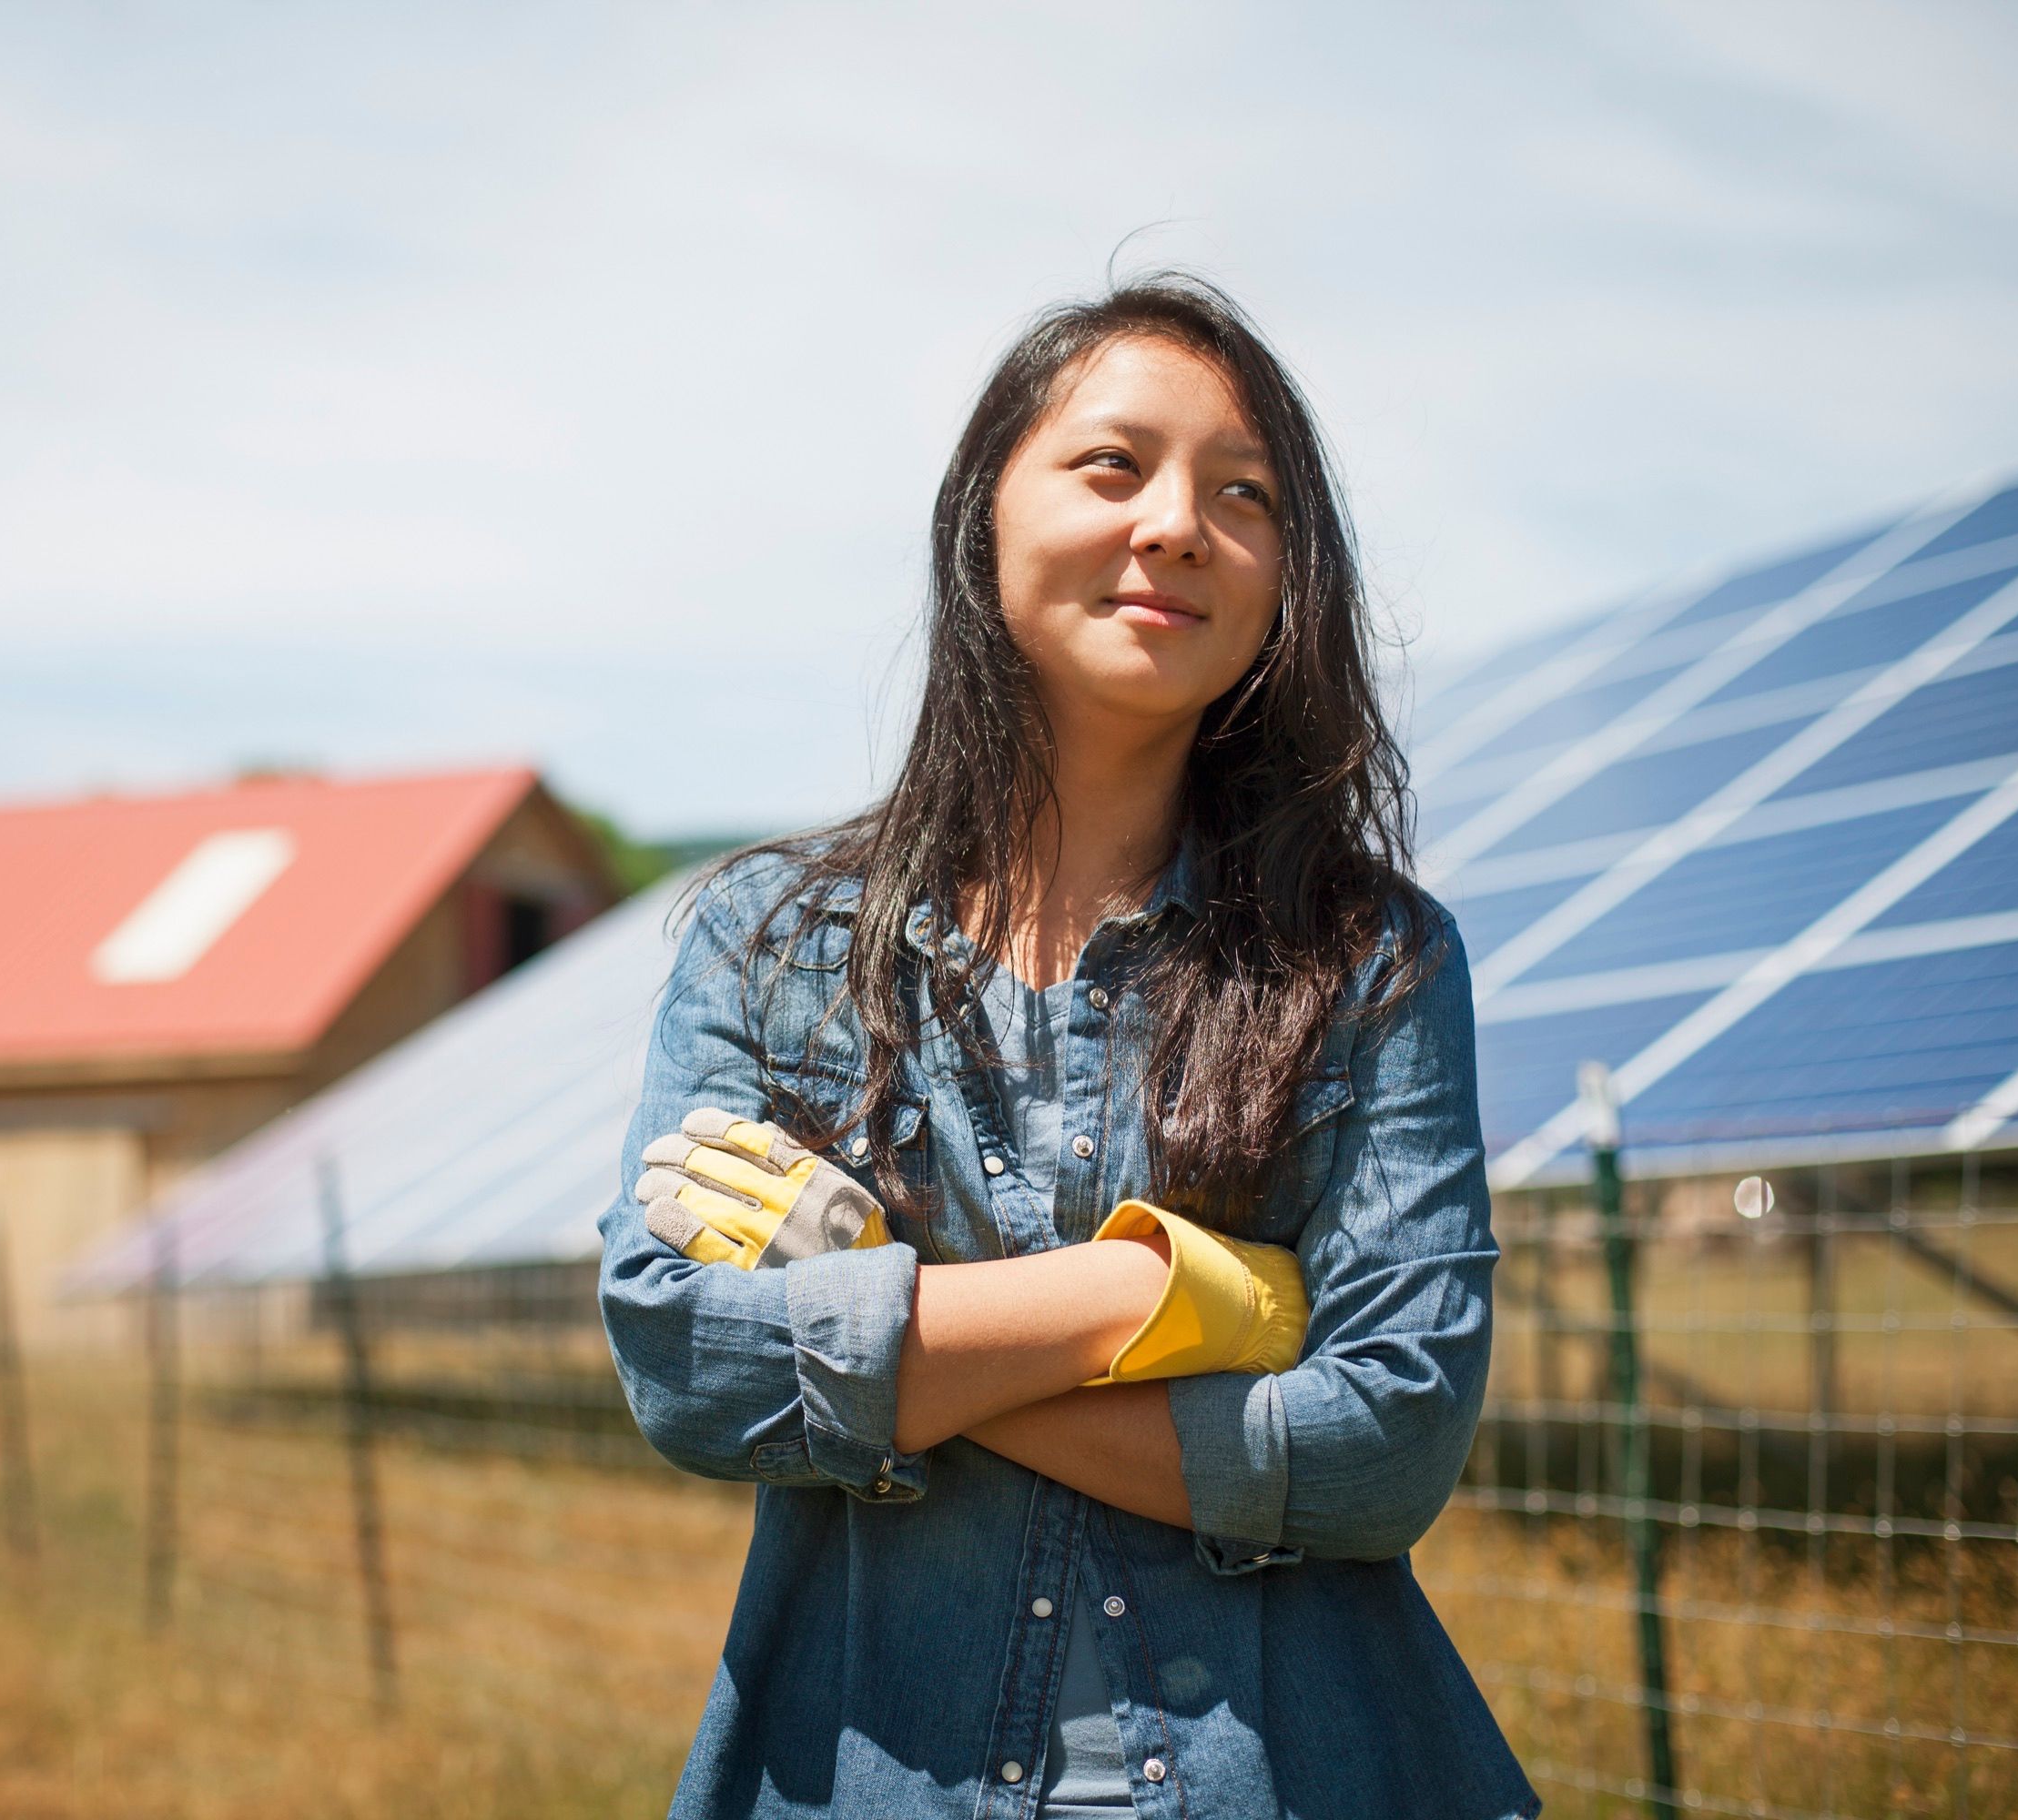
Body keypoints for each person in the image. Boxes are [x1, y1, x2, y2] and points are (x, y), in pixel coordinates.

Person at [597, 273, 1536, 1820]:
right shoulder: (767, 944)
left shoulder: (1369, 961)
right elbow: (684, 1368)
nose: (1177, 523)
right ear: (984, 516)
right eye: (1114, 466)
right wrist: (1156, 1296)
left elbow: (1389, 1443)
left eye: (1245, 497)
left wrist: (889, 1356)